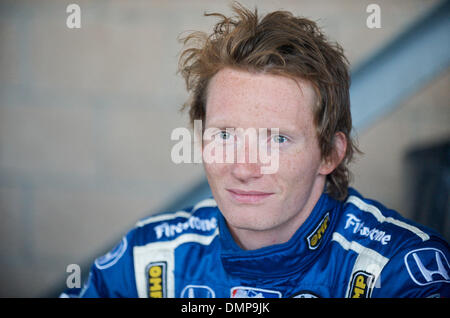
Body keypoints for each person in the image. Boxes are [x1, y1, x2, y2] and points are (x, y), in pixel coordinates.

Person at [71, 3, 449, 298]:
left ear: (330, 155)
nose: (244, 167)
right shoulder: (147, 258)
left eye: (277, 139)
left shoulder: (400, 272)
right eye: (225, 135)